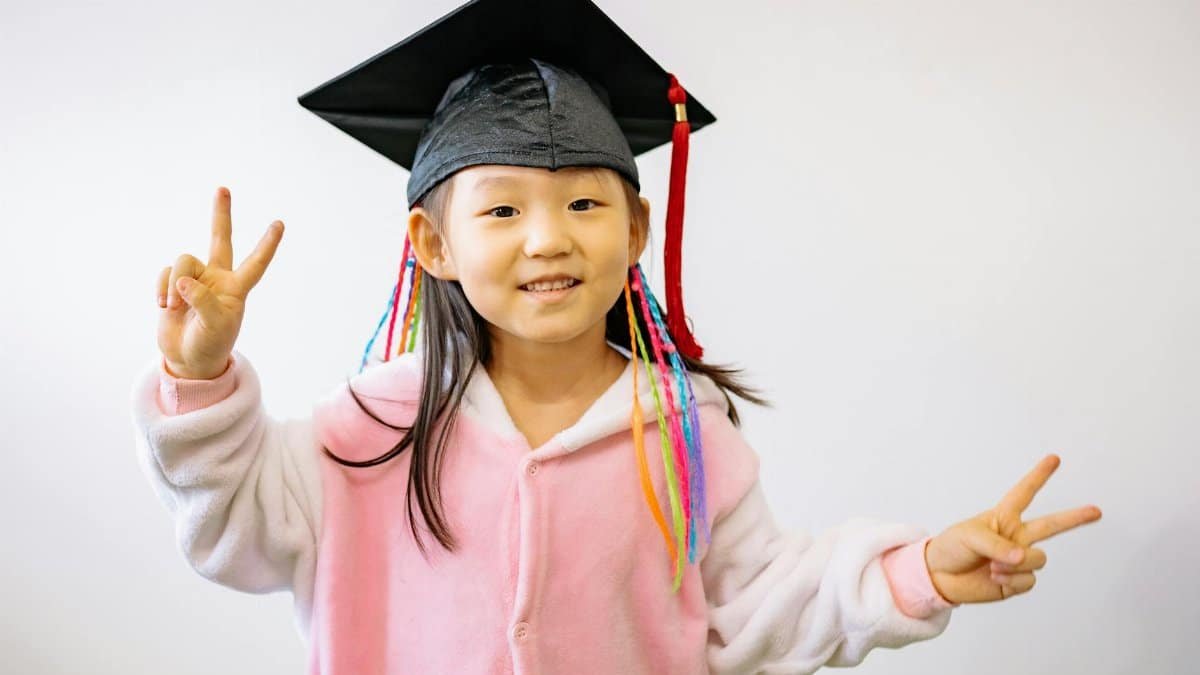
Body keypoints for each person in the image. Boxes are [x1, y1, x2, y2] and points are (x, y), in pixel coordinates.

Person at [130, 0, 1103, 672]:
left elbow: (762, 606)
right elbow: (236, 535)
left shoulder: (684, 434)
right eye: (502, 212)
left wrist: (919, 571)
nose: (550, 237)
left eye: (586, 201)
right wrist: (200, 372)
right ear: (431, 243)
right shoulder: (370, 426)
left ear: (636, 231)